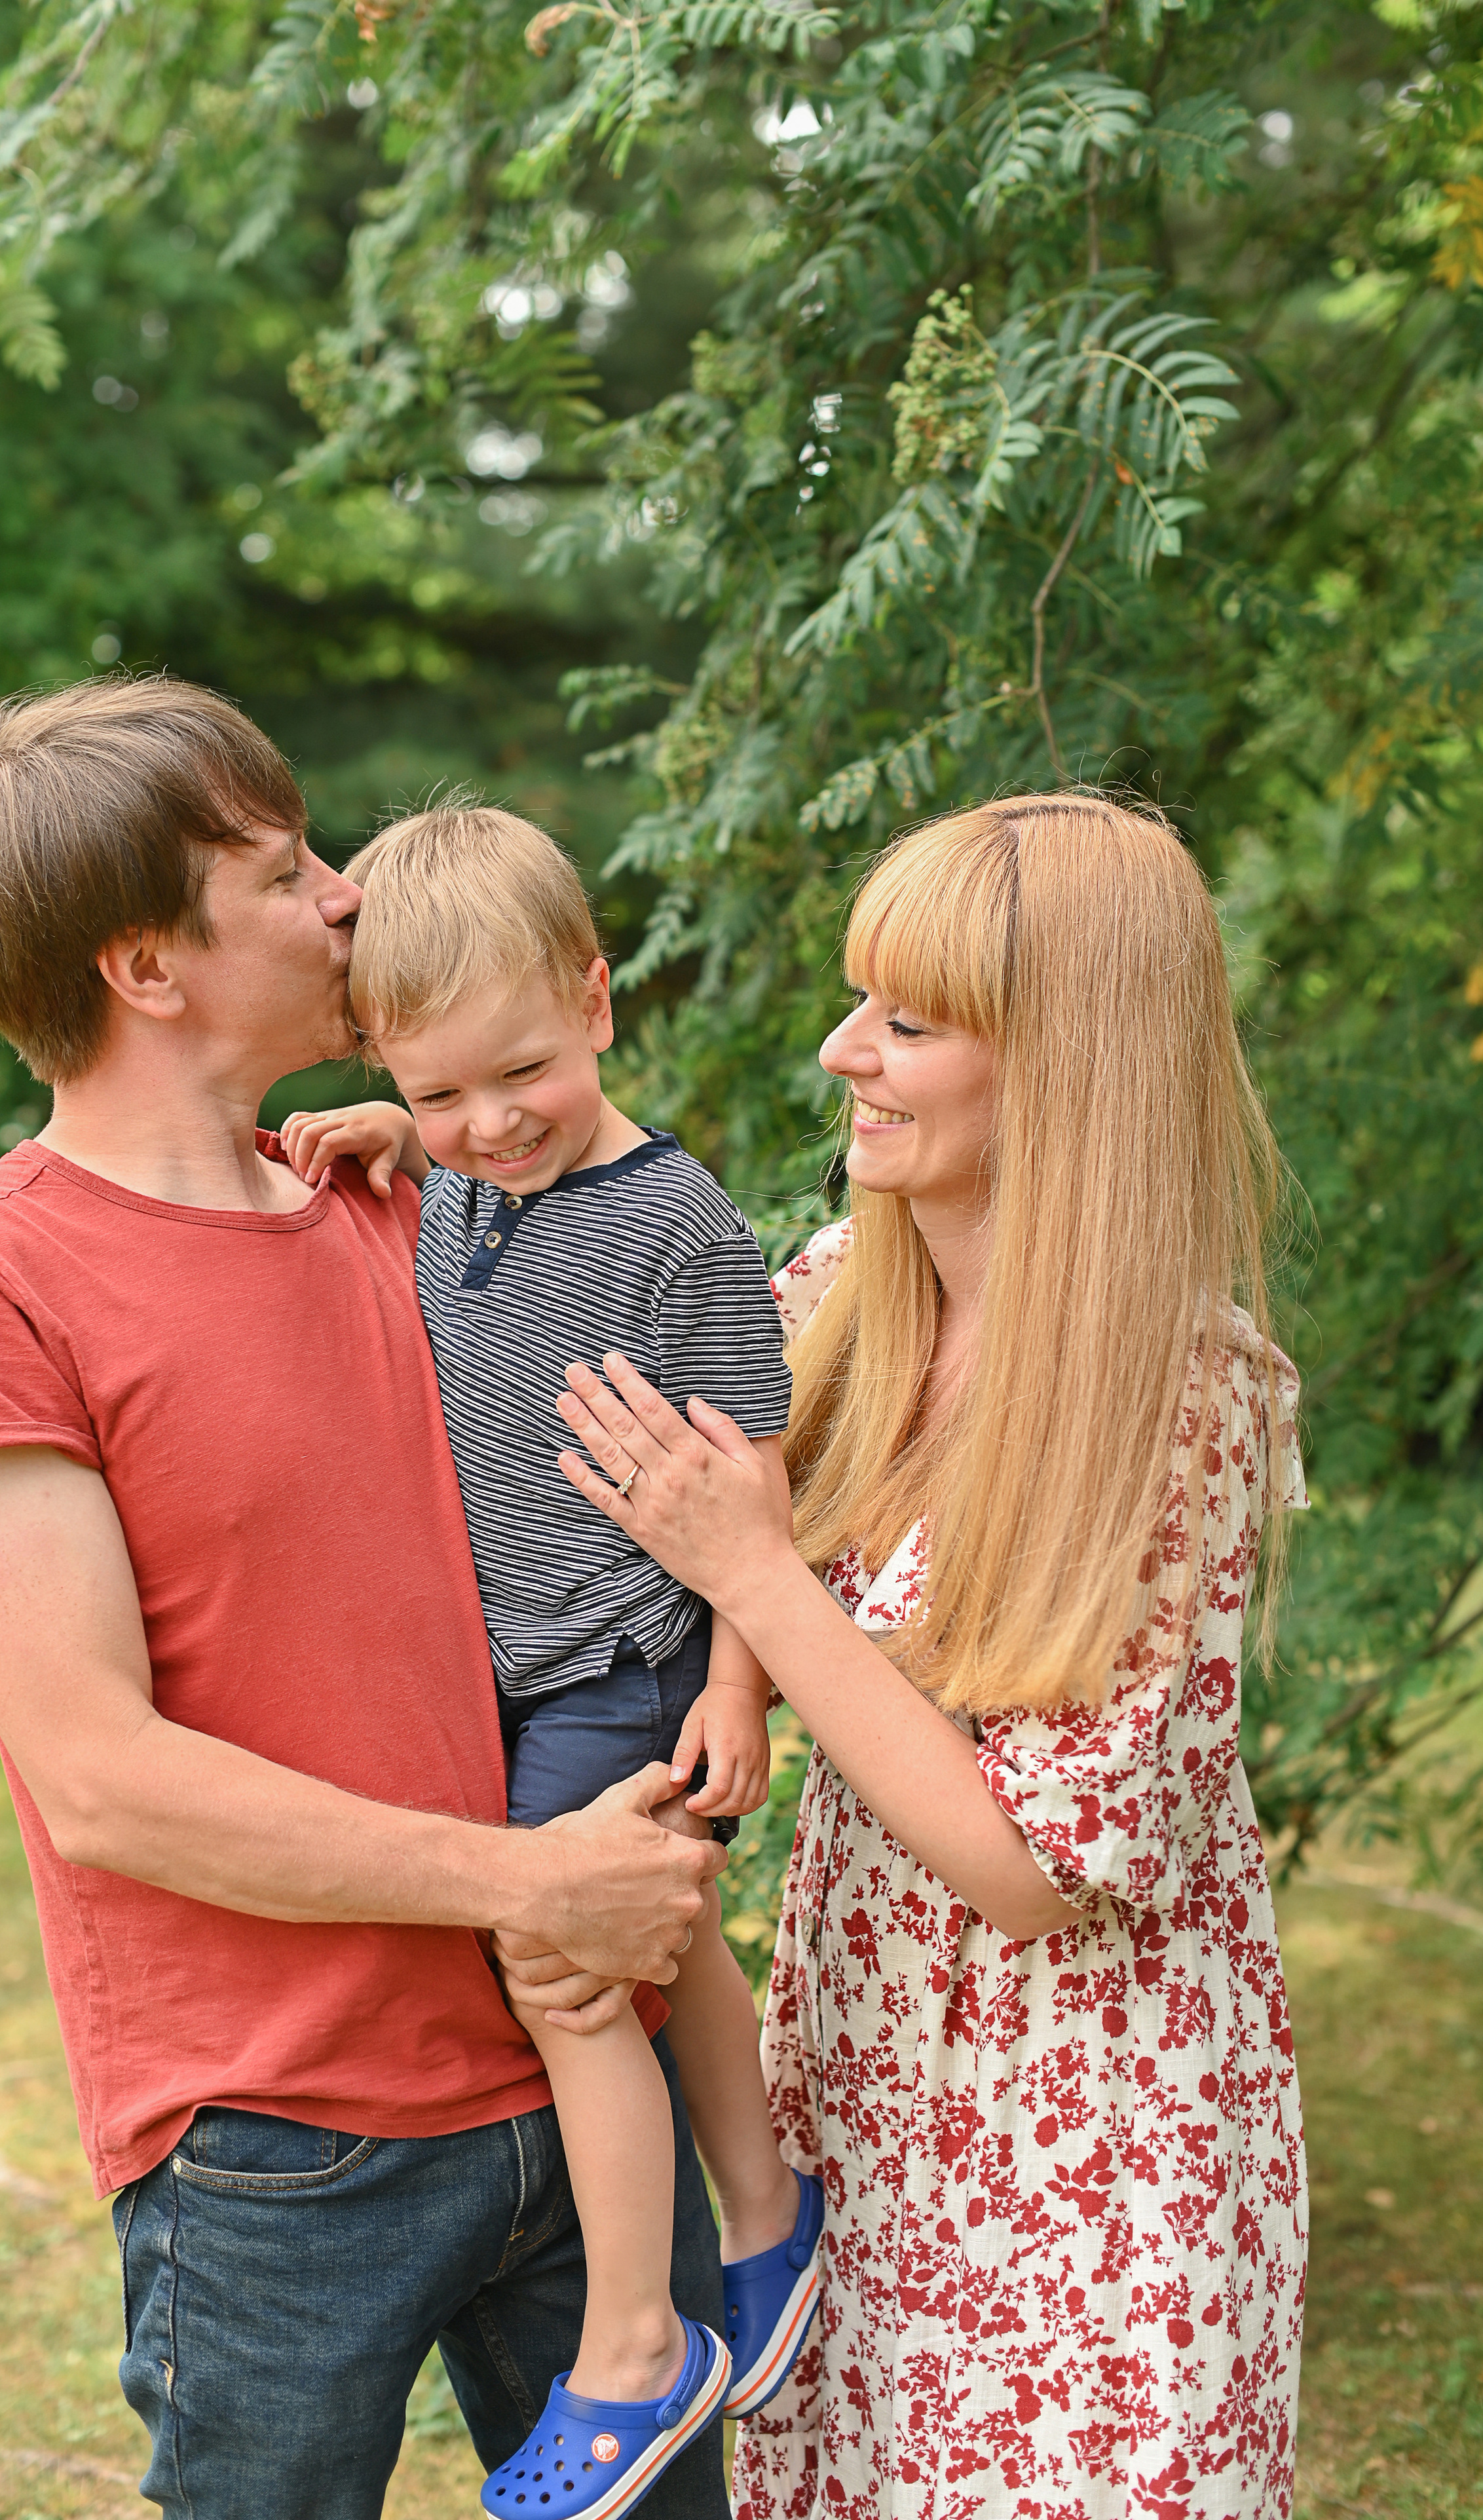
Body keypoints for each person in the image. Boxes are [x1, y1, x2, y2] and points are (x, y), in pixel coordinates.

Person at [0, 677, 730, 2520]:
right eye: (281, 870)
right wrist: (527, 1878)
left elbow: (686, 1301)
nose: (345, 897)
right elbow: (102, 1777)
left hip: (576, 2097)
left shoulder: (418, 1199)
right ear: (148, 969)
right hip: (278, 2154)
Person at [536, 795, 1309, 2520]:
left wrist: (755, 1574)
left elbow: (1040, 1875)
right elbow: (574, 1221)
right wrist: (396, 1154)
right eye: (855, 1001)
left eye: (907, 1020)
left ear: (1066, 1061)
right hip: (866, 2078)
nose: (840, 1053)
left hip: (1090, 2133)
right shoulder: (836, 1298)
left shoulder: (1181, 1397)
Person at [278, 805, 824, 2520]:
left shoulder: (676, 1225)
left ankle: (636, 2346)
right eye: (438, 1092)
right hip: (521, 1668)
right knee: (675, 1948)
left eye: (518, 1072)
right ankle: (769, 2218)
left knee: (568, 1970)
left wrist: (740, 1685)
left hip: (635, 1657)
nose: (489, 1124)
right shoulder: (465, 1175)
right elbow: (457, 1145)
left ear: (596, 1000)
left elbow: (755, 1470)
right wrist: (398, 1130)